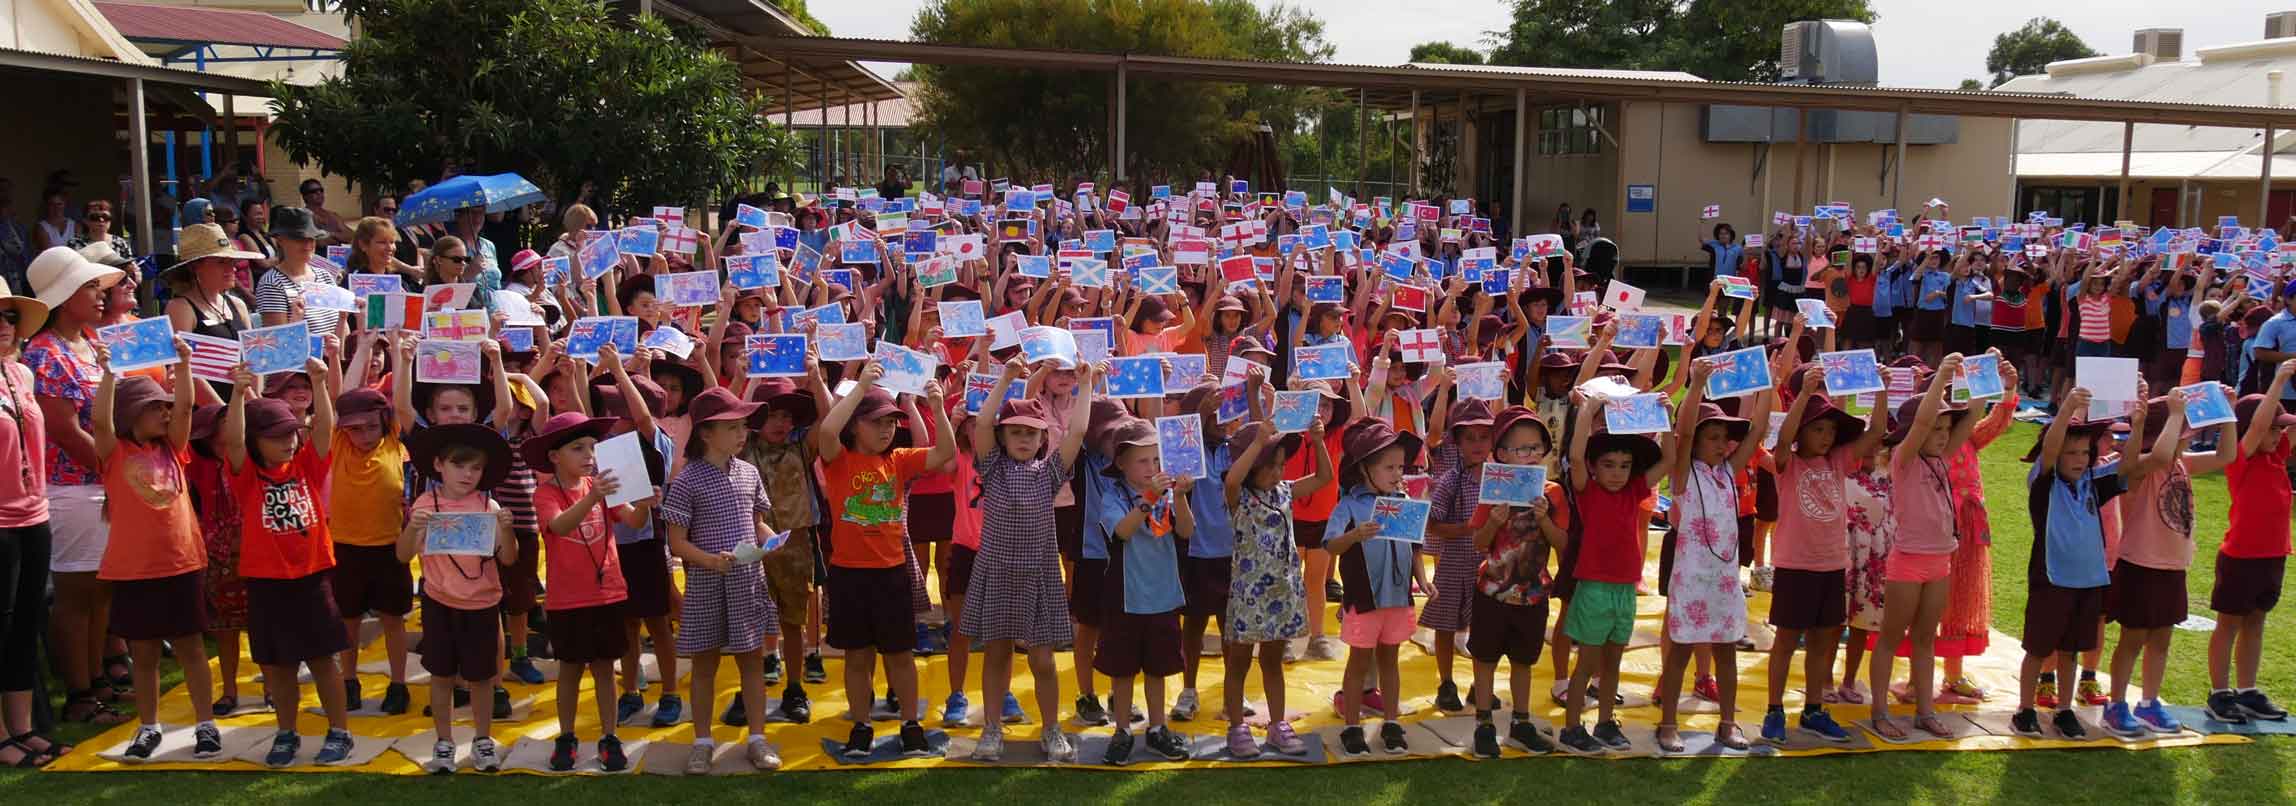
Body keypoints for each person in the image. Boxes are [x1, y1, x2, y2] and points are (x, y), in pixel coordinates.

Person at [813, 366, 955, 759]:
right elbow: (826, 432)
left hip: (891, 574)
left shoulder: (899, 460)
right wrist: (860, 388)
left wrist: (939, 408)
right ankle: (861, 725)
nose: (887, 430)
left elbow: (944, 454)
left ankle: (911, 724)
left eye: (892, 422)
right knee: (857, 657)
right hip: (848, 576)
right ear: (856, 425)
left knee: (900, 656)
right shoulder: (837, 460)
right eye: (877, 422)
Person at [220, 358, 354, 767]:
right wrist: (239, 394)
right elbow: (233, 442)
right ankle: (286, 732)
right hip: (265, 582)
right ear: (256, 441)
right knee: (278, 666)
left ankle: (340, 731)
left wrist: (319, 382)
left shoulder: (306, 466)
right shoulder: (246, 476)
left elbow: (326, 430)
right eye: (277, 437)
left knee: (322, 660)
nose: (289, 442)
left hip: (312, 579)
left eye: (292, 434)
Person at [961, 359, 1093, 762]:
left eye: (1031, 434)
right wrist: (1005, 380)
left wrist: (1085, 385)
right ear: (1003, 438)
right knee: (997, 655)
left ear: (1042, 440)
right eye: (1015, 432)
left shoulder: (1051, 473)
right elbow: (981, 425)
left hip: (1038, 576)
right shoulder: (993, 466)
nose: (1022, 439)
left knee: (1043, 661)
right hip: (996, 574)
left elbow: (1080, 430)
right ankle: (991, 730)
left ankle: (1051, 728)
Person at [24, 246, 129, 728]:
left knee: (100, 591)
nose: (101, 294)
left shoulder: (87, 341)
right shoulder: (45, 354)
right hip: (72, 488)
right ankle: (81, 692)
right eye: (90, 287)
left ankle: (97, 682)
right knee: (75, 594)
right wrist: (117, 472)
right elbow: (65, 431)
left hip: (100, 482)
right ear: (65, 297)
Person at [1759, 367, 1886, 745]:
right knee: (1785, 640)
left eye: (1831, 430)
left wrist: (1878, 388)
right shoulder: (1788, 464)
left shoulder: (1839, 461)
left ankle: (1814, 709)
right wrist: (1804, 395)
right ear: (1801, 433)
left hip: (1832, 565)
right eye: (1818, 429)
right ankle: (1774, 710)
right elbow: (1782, 440)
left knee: (1823, 641)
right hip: (1796, 566)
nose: (1827, 436)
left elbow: (1876, 433)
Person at [662, 387, 784, 773]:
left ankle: (757, 738)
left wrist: (770, 541)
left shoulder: (748, 472)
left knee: (753, 662)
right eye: (731, 427)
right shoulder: (686, 481)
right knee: (704, 666)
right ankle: (702, 741)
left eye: (743, 426)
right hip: (705, 584)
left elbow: (758, 521)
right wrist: (711, 562)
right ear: (705, 434)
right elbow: (676, 543)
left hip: (747, 580)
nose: (742, 434)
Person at [1868, 356, 1987, 741]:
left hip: (1940, 561)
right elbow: (1920, 423)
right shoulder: (1904, 461)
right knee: (1890, 637)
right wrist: (1944, 379)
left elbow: (1970, 418)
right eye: (1936, 429)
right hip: (1908, 562)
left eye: (1944, 429)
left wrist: (1987, 380)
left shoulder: (1941, 459)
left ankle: (1924, 710)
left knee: (1925, 639)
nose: (1941, 434)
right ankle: (1880, 712)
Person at [527, 411, 654, 772]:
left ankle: (609, 736)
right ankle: (566, 736)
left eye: (592, 448)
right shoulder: (547, 493)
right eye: (578, 448)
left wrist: (645, 501)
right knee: (570, 669)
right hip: (568, 599)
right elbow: (560, 526)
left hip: (609, 592)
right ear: (554, 456)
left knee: (604, 669)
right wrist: (592, 496)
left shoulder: (601, 486)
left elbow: (633, 520)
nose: (589, 456)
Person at [1654, 368, 1772, 753]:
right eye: (1714, 437)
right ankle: (1668, 724)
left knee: (1726, 652)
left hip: (1724, 580)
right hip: (1690, 579)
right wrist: (1698, 385)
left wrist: (1768, 382)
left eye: (1725, 438)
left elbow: (1756, 431)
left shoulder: (1728, 472)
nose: (1723, 445)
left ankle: (1728, 722)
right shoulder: (1684, 474)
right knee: (1680, 653)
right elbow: (1684, 433)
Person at [2103, 392, 2233, 737]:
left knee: (2161, 639)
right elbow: (2160, 452)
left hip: (2173, 567)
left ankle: (2149, 702)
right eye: (2183, 435)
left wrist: (2226, 415)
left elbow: (2227, 454)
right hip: (2141, 564)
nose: (2185, 442)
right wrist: (2176, 414)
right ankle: (2116, 704)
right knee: (2133, 638)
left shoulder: (2181, 463)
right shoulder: (2142, 465)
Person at [399, 423, 517, 774]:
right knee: (441, 675)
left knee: (482, 678)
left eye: (475, 468)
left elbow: (508, 558)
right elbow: (403, 555)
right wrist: (413, 527)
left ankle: (483, 739)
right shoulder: (426, 503)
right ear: (439, 465)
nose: (467, 474)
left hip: (482, 604)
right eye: (459, 465)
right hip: (439, 602)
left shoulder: (489, 504)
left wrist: (507, 529)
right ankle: (444, 742)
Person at [2015, 387, 2123, 740]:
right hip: (2052, 578)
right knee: (2038, 648)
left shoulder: (2094, 481)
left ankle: (2064, 710)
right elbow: (2049, 448)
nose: (2079, 459)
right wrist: (2069, 409)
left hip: (2088, 580)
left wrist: (2137, 419)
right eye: (2071, 452)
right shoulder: (2044, 483)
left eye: (2085, 452)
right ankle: (2025, 710)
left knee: (2070, 650)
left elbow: (2137, 461)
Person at [1221, 416, 1328, 758]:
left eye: (1282, 465)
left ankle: (1277, 726)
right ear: (1253, 465)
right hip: (1249, 596)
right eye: (1271, 466)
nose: (1278, 472)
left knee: (1272, 661)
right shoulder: (1239, 497)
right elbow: (1232, 479)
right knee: (1238, 664)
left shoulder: (1285, 491)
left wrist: (1318, 441)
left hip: (1283, 594)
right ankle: (1237, 727)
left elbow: (1325, 478)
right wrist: (1257, 443)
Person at [1092, 417, 1194, 765]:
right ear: (1121, 463)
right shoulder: (1113, 495)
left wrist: (1178, 496)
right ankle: (1122, 730)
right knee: (1122, 671)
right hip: (1125, 597)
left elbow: (1186, 531)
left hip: (1163, 595)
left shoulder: (1167, 493)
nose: (1151, 467)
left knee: (1158, 669)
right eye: (1142, 460)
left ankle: (1157, 729)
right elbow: (1120, 531)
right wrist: (1149, 498)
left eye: (1156, 460)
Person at [1462, 407, 1562, 758]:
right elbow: (1478, 543)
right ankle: (1484, 723)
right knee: (1485, 659)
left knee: (1524, 661)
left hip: (1533, 594)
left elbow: (1564, 544)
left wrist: (1545, 518)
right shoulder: (1494, 491)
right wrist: (1493, 522)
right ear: (1501, 454)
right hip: (1492, 590)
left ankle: (1521, 723)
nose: (1530, 454)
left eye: (1536, 447)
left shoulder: (1552, 493)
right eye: (1520, 449)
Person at [2206, 367, 2296, 725]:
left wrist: (2281, 419)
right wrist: (2278, 380)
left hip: (2273, 557)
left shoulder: (2276, 456)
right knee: (2228, 624)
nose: (2276, 435)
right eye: (2272, 428)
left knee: (2256, 622)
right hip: (2240, 557)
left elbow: (2282, 427)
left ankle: (2247, 690)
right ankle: (2219, 692)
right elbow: (2257, 427)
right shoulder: (2238, 458)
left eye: (2280, 429)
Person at [738, 375, 828, 723]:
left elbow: (827, 419)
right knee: (748, 621)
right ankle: (751, 690)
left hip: (795, 545)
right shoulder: (743, 450)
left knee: (793, 620)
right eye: (773, 415)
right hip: (750, 544)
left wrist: (817, 377)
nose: (781, 423)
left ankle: (795, 687)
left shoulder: (801, 449)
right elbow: (736, 418)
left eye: (787, 417)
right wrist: (749, 383)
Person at [0, 276, 52, 767]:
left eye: (10, 315)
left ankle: (22, 727)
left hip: (34, 511)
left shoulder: (21, 375)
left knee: (25, 623)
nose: (4, 325)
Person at [252, 207, 346, 340]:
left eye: (311, 238)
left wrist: (343, 318)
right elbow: (278, 344)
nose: (308, 244)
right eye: (299, 238)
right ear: (280, 240)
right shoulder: (271, 284)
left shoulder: (325, 276)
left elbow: (342, 334)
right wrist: (296, 319)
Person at [297, 179, 354, 245]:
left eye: (321, 190)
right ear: (305, 196)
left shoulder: (333, 215)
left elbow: (351, 236)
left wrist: (331, 234)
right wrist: (339, 236)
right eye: (313, 191)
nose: (319, 193)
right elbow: (320, 242)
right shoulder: (302, 216)